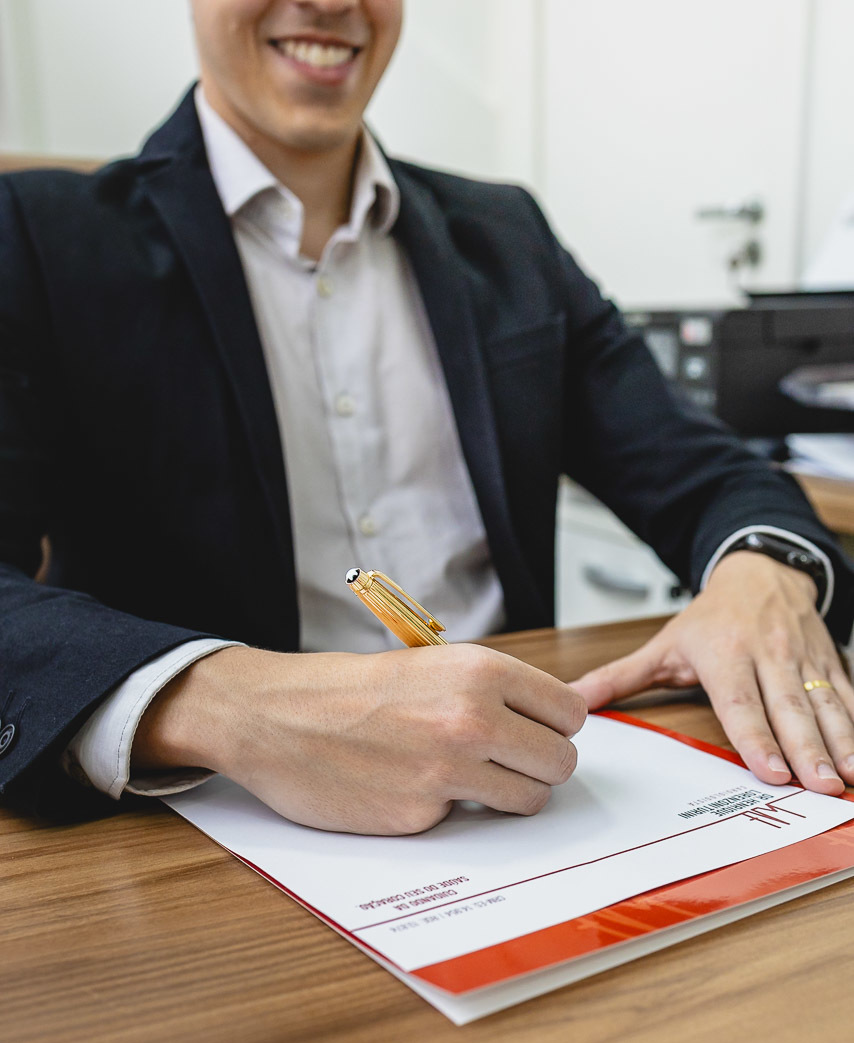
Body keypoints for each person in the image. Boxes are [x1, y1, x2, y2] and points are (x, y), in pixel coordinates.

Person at [2, 0, 854, 835]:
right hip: (209, 829)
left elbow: (701, 471)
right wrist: (227, 705)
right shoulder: (40, 236)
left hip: (531, 796)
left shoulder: (508, 235)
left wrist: (764, 571)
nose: (331, 4)